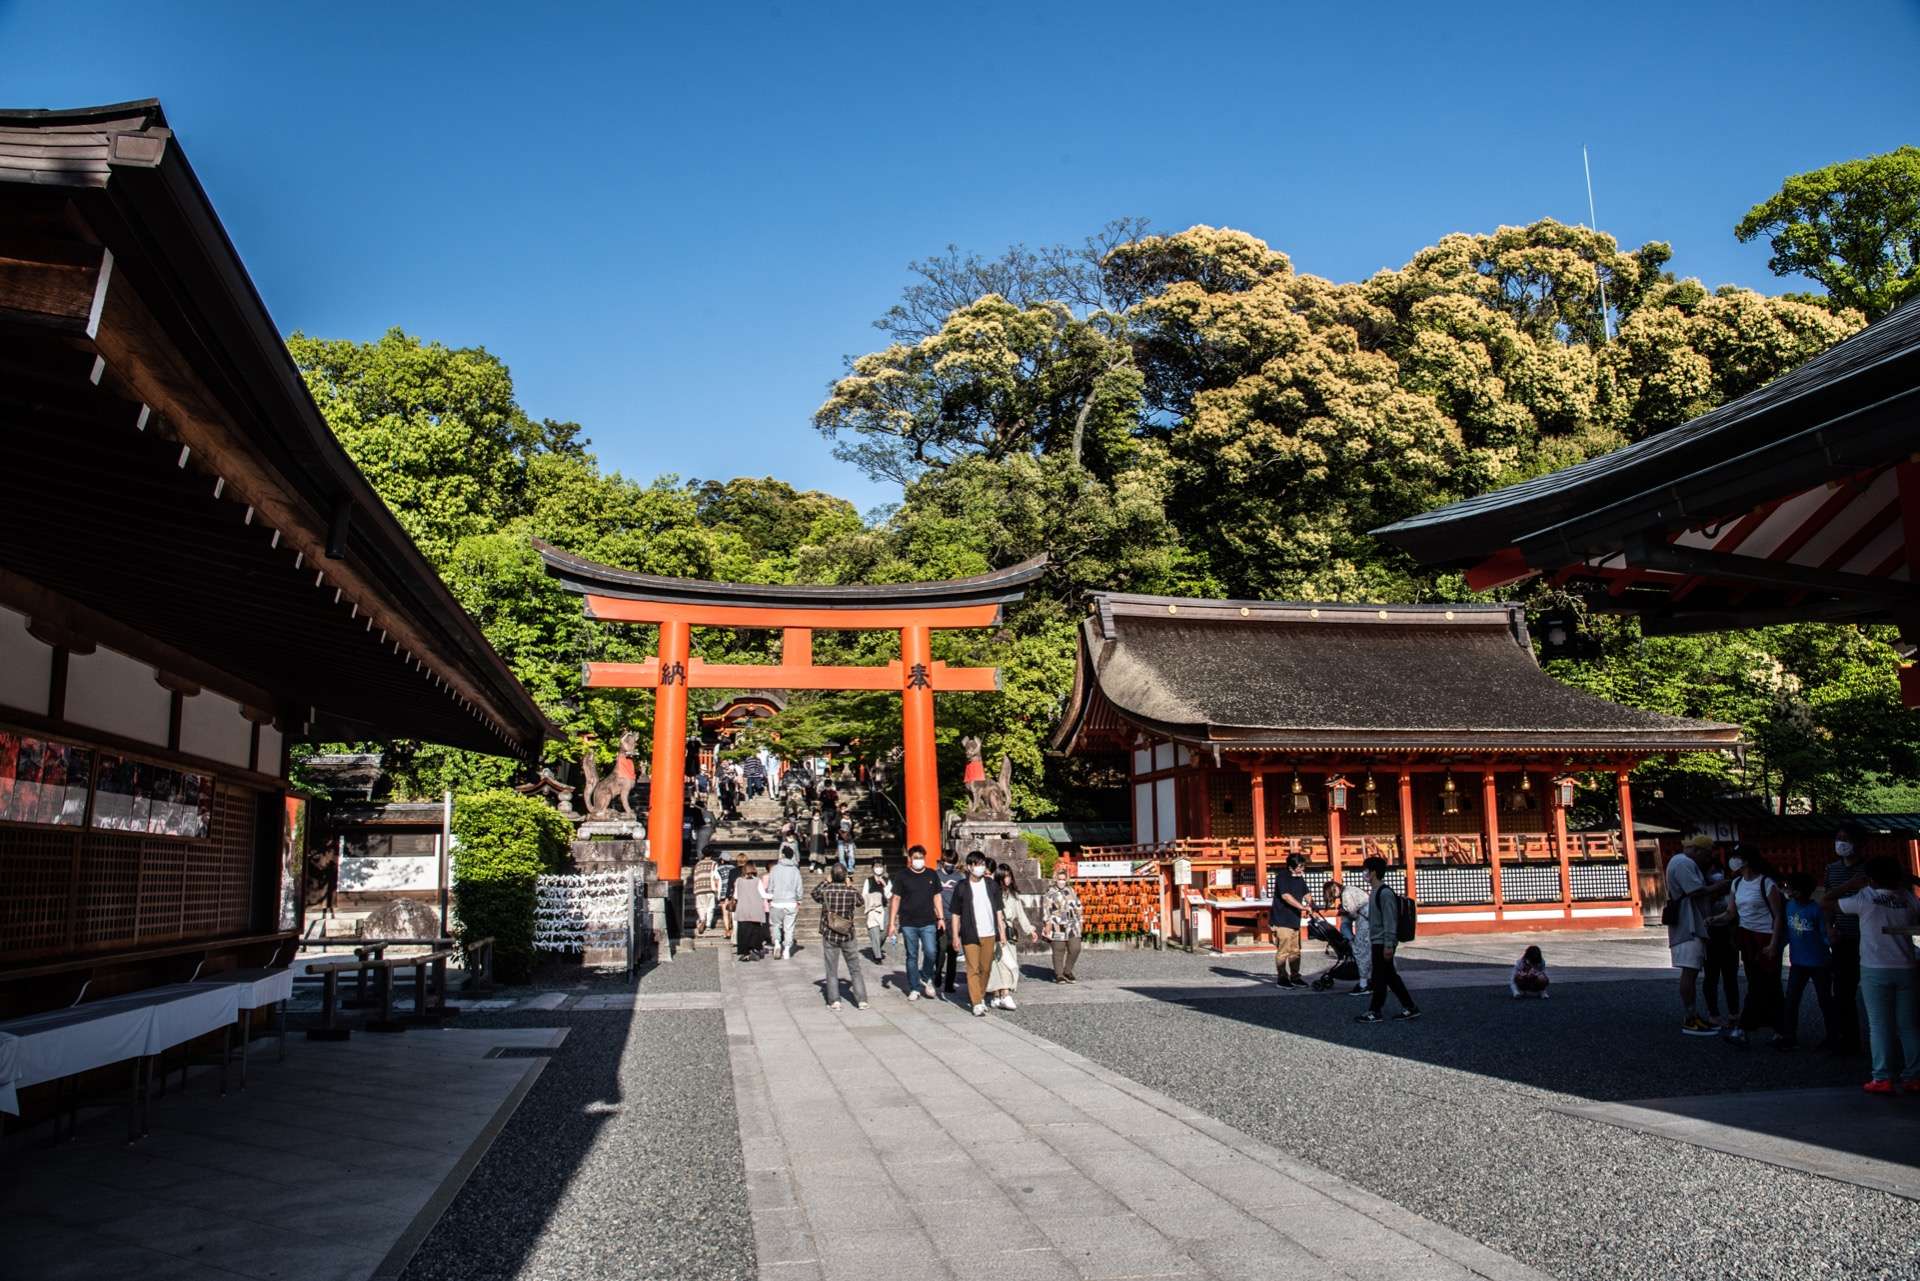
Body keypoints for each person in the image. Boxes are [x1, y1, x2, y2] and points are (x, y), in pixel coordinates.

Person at [1828, 855, 1920, 1094]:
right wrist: (1912, 880)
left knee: (1880, 1025)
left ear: (1869, 878)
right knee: (1909, 1026)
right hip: (1907, 967)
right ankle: (1914, 1076)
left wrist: (1849, 885)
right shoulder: (1909, 898)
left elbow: (1826, 902)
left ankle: (1882, 1077)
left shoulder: (1865, 898)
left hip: (1875, 967)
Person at [1664, 835, 1727, 1035]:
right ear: (1698, 850)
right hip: (1688, 924)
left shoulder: (1679, 861)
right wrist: (1720, 885)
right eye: (1706, 855)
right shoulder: (1684, 863)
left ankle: (1692, 1016)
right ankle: (1691, 1017)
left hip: (1690, 922)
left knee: (1690, 971)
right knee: (1690, 971)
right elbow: (1695, 891)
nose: (1707, 860)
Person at [1724, 850, 1786, 1048]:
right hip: (1747, 937)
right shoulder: (1736, 883)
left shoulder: (1766, 883)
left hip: (1765, 936)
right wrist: (1715, 920)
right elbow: (1731, 912)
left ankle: (1743, 1028)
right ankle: (1780, 1029)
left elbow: (1778, 915)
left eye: (1736, 857)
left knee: (1764, 982)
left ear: (1746, 861)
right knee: (1759, 982)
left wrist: (1774, 943)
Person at [1355, 857, 1419, 1023]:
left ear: (1373, 872)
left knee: (1379, 977)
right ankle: (1409, 1007)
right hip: (1378, 940)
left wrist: (1389, 944)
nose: (1364, 873)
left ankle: (1375, 1011)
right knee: (1389, 976)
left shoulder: (1384, 893)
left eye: (1366, 870)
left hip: (1383, 941)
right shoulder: (1375, 891)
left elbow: (1390, 920)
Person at [1823, 823, 1867, 1055]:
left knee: (1874, 989)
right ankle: (1848, 1039)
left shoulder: (1868, 869)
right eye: (1838, 838)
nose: (1841, 843)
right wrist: (1829, 928)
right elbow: (1827, 902)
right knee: (1842, 991)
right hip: (1843, 936)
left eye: (1846, 838)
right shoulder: (1831, 869)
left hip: (1868, 936)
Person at [1781, 872, 1835, 1051]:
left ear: (1800, 891)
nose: (1788, 891)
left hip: (1819, 962)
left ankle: (1832, 1036)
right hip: (1798, 961)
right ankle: (1789, 1035)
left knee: (1824, 1000)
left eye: (1791, 888)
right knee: (1791, 1000)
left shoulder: (1816, 910)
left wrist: (1831, 939)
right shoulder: (1789, 906)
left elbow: (1825, 935)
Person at [950, 851, 1006, 1016]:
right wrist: (955, 936)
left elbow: (999, 910)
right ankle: (976, 1002)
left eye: (982, 864)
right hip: (970, 932)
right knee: (973, 968)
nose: (980, 867)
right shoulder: (962, 887)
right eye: (977, 864)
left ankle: (980, 996)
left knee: (985, 968)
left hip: (989, 932)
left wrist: (1002, 931)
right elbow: (955, 914)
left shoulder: (991, 885)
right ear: (969, 867)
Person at [887, 844, 945, 1000]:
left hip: (928, 921)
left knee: (931, 952)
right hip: (908, 922)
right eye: (916, 858)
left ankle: (925, 976)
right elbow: (896, 898)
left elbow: (937, 897)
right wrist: (891, 923)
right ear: (910, 859)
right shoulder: (902, 876)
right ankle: (914, 987)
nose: (919, 860)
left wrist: (941, 918)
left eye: (921, 857)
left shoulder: (931, 874)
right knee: (911, 955)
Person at [812, 866, 870, 1010]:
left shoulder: (826, 891)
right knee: (855, 968)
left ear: (832, 876)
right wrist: (850, 885)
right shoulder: (850, 892)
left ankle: (834, 1001)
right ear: (845, 877)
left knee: (831, 970)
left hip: (830, 933)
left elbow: (814, 893)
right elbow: (861, 901)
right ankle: (862, 1000)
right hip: (847, 934)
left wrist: (826, 881)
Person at [1700, 842, 1742, 1029]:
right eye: (1712, 871)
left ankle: (1734, 1012)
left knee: (1730, 976)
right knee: (1712, 976)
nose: (1717, 875)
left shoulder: (1732, 889)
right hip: (1711, 933)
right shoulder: (1704, 892)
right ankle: (1714, 1013)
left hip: (1728, 933)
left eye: (1718, 871)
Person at [987, 866, 1039, 1010]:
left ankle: (1003, 995)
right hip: (996, 933)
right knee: (998, 965)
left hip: (1009, 934)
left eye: (1009, 876)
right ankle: (1000, 995)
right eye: (1005, 876)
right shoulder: (993, 893)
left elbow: (1021, 915)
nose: (1008, 879)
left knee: (1010, 964)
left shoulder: (1014, 895)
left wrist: (1030, 930)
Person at [1269, 853, 1310, 988]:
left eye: (1303, 866)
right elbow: (1286, 896)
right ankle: (1282, 978)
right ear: (1291, 867)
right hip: (1282, 920)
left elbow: (1306, 893)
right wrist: (1302, 907)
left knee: (1295, 951)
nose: (1302, 869)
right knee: (1284, 950)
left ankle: (1295, 976)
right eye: (1300, 866)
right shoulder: (1282, 877)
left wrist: (1311, 903)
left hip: (1294, 919)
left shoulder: (1299, 877)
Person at [1040, 867, 1083, 983]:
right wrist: (1047, 923)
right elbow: (1046, 909)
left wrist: (1080, 920)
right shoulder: (1050, 893)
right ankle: (1059, 974)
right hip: (1057, 924)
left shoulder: (1071, 890)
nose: (1062, 881)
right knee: (1058, 950)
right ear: (1056, 879)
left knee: (1076, 948)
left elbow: (1078, 905)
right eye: (1059, 879)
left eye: (1064, 879)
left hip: (1073, 924)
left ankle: (1067, 971)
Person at [1337, 875, 1373, 995]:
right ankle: (1378, 981)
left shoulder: (1345, 893)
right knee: (1373, 953)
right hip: (1372, 922)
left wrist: (1343, 911)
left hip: (1365, 924)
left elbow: (1353, 913)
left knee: (1361, 953)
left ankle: (1363, 985)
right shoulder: (1351, 889)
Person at [767, 848, 804, 960]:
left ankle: (777, 943)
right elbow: (799, 887)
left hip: (777, 901)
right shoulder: (795, 870)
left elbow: (770, 885)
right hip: (791, 902)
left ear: (782, 855)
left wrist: (770, 896)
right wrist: (799, 899)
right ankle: (787, 950)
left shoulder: (775, 869)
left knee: (775, 925)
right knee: (789, 928)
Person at [935, 852, 963, 995]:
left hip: (955, 918)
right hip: (940, 918)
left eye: (952, 863)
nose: (949, 865)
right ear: (942, 861)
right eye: (947, 862)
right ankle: (938, 972)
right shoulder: (936, 875)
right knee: (941, 949)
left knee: (953, 951)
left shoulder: (959, 877)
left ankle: (949, 983)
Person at [730, 861, 769, 961]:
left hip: (742, 909)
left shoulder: (738, 880)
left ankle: (745, 952)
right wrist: (774, 896)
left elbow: (736, 896)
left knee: (743, 932)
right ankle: (754, 949)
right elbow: (763, 895)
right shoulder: (757, 881)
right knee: (755, 931)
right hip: (755, 910)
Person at [862, 860, 891, 961]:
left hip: (884, 908)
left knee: (883, 934)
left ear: (883, 868)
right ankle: (877, 956)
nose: (878, 868)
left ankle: (877, 947)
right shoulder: (868, 880)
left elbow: (889, 895)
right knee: (874, 932)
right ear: (873, 868)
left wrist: (884, 885)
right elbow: (864, 894)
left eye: (880, 866)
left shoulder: (887, 880)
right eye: (876, 866)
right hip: (873, 910)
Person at [692, 850, 720, 937]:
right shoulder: (714, 864)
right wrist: (717, 889)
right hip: (710, 888)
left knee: (700, 906)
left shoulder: (698, 864)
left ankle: (702, 919)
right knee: (710, 907)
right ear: (711, 855)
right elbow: (716, 877)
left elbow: (695, 876)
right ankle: (708, 924)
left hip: (699, 888)